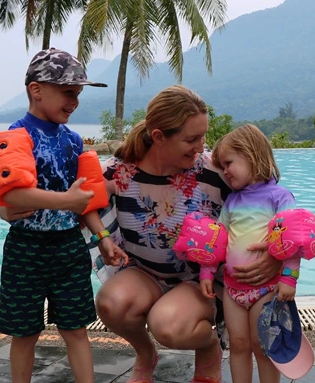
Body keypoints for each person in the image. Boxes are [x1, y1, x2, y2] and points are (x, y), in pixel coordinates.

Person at [87, 86, 281, 383]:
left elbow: (273, 203)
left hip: (199, 283)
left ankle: (209, 346)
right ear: (159, 137)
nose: (201, 146)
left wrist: (275, 256)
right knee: (111, 304)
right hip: (144, 272)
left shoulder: (214, 171)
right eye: (191, 139)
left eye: (203, 135)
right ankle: (144, 354)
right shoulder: (120, 172)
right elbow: (83, 202)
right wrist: (103, 237)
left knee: (169, 326)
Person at [0, 48, 128, 383]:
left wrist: (103, 238)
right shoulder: (15, 136)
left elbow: (88, 199)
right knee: (24, 333)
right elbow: (12, 194)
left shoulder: (74, 141)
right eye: (68, 93)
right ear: (37, 90)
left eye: (77, 94)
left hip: (69, 247)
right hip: (26, 248)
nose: (74, 101)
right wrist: (65, 201)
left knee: (76, 329)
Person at [199, 124, 300, 383]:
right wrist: (207, 272)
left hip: (265, 289)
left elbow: (293, 239)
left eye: (229, 163)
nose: (225, 172)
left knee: (262, 347)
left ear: (251, 155)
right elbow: (217, 239)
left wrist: (289, 278)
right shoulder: (232, 201)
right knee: (239, 344)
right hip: (233, 289)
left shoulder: (279, 197)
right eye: (221, 166)